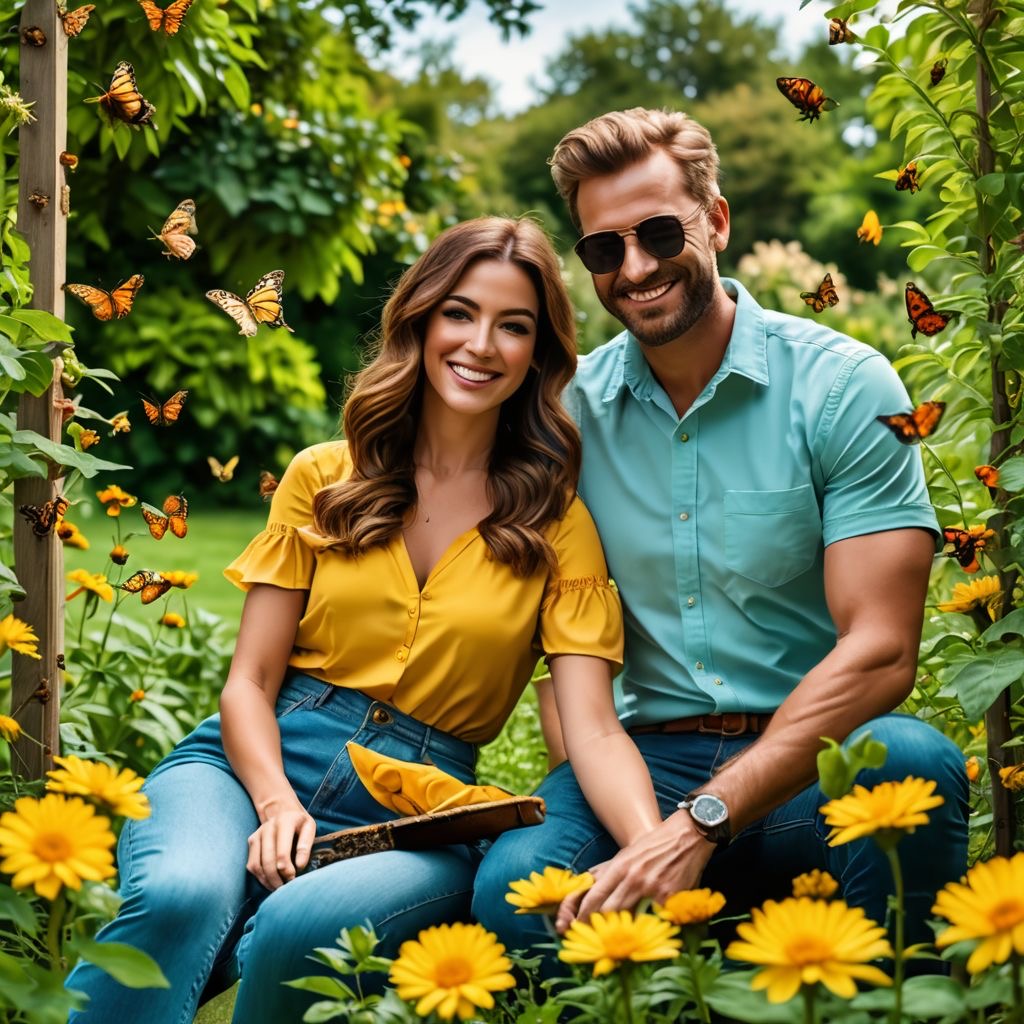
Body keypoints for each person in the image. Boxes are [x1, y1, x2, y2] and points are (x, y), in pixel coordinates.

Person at [65, 216, 665, 1024]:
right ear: (419, 319)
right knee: (181, 894)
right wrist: (277, 803)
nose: (481, 344)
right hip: (260, 756)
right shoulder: (326, 475)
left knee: (297, 927)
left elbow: (590, 729)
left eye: (513, 326)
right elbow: (249, 681)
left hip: (421, 811)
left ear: (538, 354)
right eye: (460, 313)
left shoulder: (556, 524)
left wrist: (654, 848)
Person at [473, 108, 969, 960]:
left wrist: (706, 820)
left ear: (718, 222)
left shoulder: (846, 388)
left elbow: (882, 651)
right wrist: (633, 820)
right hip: (649, 766)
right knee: (519, 888)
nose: (633, 268)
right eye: (603, 250)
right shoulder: (568, 420)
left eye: (660, 233)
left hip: (810, 760)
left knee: (910, 760)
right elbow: (560, 650)